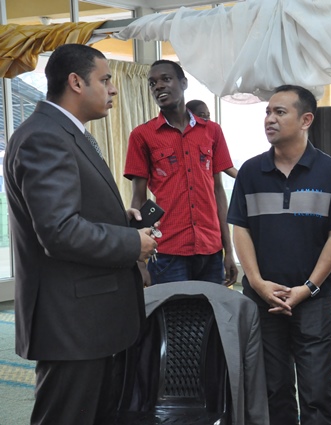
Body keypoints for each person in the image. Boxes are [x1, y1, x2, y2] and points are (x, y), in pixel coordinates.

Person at [3, 44, 158, 425]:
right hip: (72, 323)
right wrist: (132, 243)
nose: (113, 89)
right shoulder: (45, 137)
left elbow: (67, 211)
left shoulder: (63, 132)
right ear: (76, 82)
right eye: (105, 80)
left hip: (89, 317)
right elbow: (58, 231)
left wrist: (118, 218)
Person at [227, 84, 331, 425]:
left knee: (316, 391)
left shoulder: (330, 172)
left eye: (279, 112)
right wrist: (257, 283)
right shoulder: (250, 172)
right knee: (272, 389)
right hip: (263, 300)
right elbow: (241, 230)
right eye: (267, 112)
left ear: (305, 120)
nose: (269, 119)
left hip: (312, 300)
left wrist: (309, 287)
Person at [125, 60, 238, 287]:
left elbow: (218, 192)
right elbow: (138, 200)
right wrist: (139, 261)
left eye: (166, 79)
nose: (158, 86)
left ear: (184, 83)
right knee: (173, 311)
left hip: (211, 250)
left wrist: (229, 251)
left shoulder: (212, 131)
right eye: (152, 83)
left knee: (211, 310)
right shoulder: (142, 135)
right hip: (167, 252)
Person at [186, 99, 238, 178]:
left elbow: (224, 165)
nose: (206, 120)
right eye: (201, 115)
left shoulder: (213, 131)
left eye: (208, 116)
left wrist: (246, 179)